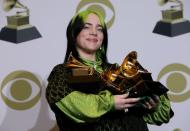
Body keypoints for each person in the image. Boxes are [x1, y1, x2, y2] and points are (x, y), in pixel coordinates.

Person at [46, 9, 174, 131]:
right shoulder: (63, 72)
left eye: (99, 29)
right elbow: (72, 104)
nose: (94, 32)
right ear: (74, 34)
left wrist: (152, 106)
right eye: (87, 27)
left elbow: (161, 115)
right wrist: (110, 103)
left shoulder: (121, 70)